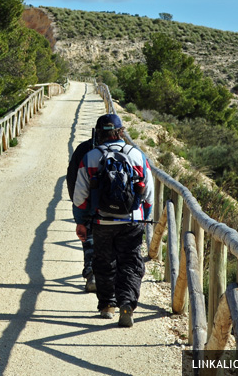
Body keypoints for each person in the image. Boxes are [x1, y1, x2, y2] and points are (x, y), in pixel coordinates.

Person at [72, 113, 154, 327]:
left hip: (102, 221)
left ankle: (107, 305)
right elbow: (149, 195)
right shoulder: (136, 155)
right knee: (131, 263)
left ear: (99, 133)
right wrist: (143, 217)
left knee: (103, 261)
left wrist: (81, 222)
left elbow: (79, 196)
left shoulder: (90, 157)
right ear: (121, 132)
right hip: (132, 220)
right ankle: (126, 303)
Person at [66, 136, 96, 292]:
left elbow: (72, 180)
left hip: (89, 205)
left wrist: (79, 214)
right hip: (123, 211)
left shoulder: (85, 150)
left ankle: (92, 274)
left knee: (88, 238)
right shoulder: (129, 151)